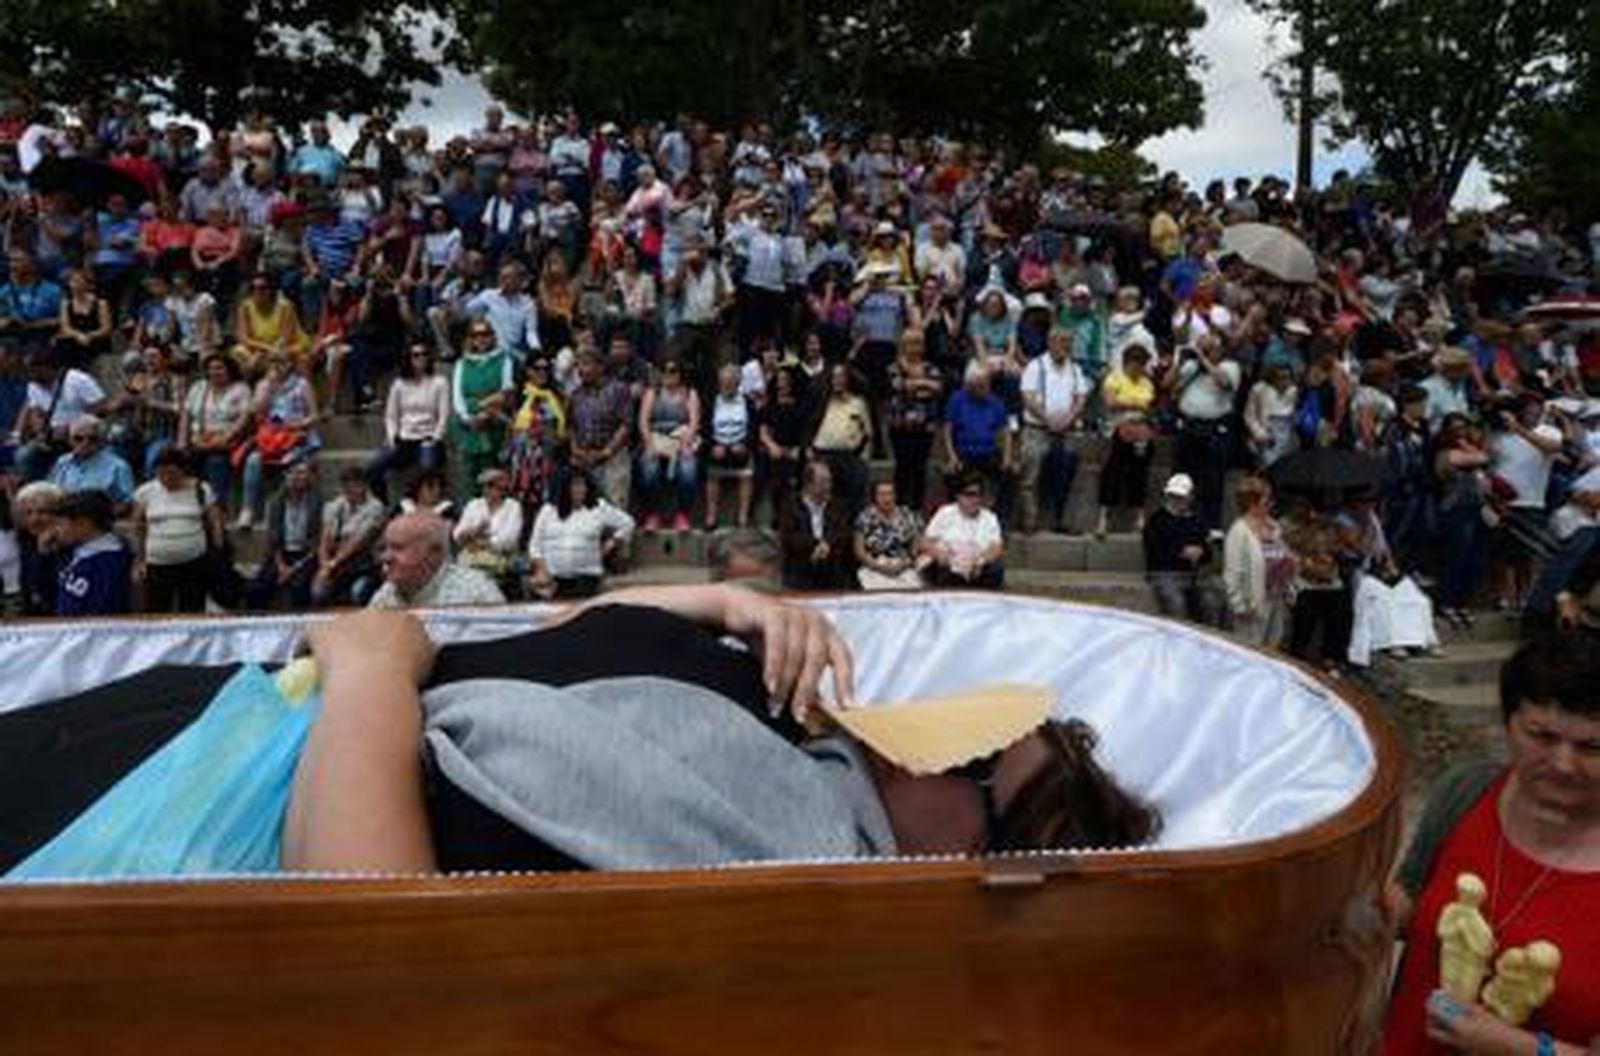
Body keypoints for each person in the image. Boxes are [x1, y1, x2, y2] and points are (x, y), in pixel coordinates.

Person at [1382, 629, 1600, 1054]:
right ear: (1507, 723)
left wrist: (1517, 1046)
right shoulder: (1466, 792)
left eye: (1592, 746)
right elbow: (1410, 904)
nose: (1562, 763)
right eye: (1541, 736)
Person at [131, 447, 223, 614]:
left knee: (192, 608)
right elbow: (138, 526)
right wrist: (139, 560)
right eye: (161, 474)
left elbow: (215, 521)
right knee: (157, 610)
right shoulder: (145, 492)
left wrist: (217, 552)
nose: (166, 479)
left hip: (194, 562)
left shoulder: (201, 490)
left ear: (183, 470)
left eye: (172, 473)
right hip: (157, 563)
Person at [1164, 333, 1240, 531]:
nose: (1203, 352)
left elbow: (1224, 384)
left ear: (1220, 349)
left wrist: (1203, 359)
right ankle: (1177, 520)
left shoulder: (1230, 366)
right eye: (1202, 348)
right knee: (1182, 476)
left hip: (1215, 428)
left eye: (1209, 348)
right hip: (1189, 426)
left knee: (1213, 478)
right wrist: (1179, 363)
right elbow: (1166, 385)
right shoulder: (1191, 367)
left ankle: (1211, 524)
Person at [1018, 325, 1089, 534]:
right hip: (1037, 428)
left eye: (1068, 343)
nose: (1065, 347)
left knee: (1067, 471)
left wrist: (1069, 418)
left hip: (1066, 430)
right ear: (1050, 343)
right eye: (1060, 342)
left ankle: (1060, 520)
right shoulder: (1035, 366)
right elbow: (1028, 397)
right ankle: (1029, 521)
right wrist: (1047, 418)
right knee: (1030, 475)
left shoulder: (1075, 369)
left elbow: (1081, 398)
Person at [238, 352, 320, 531]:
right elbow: (257, 413)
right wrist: (268, 388)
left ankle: (283, 513)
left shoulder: (302, 384)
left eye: (282, 362)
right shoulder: (263, 385)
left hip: (298, 436)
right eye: (273, 362)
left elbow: (314, 416)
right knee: (252, 461)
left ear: (290, 364)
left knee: (293, 463)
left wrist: (295, 425)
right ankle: (248, 509)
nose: (277, 366)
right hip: (271, 439)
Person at [527, 470, 636, 600]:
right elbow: (535, 545)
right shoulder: (548, 510)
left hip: (586, 578)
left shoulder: (598, 508)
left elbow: (628, 523)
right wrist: (542, 570)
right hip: (552, 580)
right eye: (575, 485)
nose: (580, 489)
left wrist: (611, 543)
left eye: (583, 485)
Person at [368, 512, 505, 611]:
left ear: (434, 553)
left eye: (398, 548)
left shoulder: (477, 595)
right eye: (385, 548)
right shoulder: (387, 592)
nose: (385, 557)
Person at [368, 342, 451, 501]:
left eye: (424, 354)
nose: (421, 358)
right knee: (373, 469)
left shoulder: (439, 382)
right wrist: (392, 437)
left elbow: (443, 415)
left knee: (426, 470)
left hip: (429, 438)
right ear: (409, 359)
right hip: (404, 439)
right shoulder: (399, 384)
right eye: (416, 355)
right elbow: (391, 415)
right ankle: (383, 505)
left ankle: (424, 507)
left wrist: (435, 437)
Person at [1435, 413, 1493, 628]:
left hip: (1478, 510)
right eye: (1455, 428)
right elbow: (1483, 458)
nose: (1461, 431)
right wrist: (1466, 444)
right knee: (1456, 558)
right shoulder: (1444, 454)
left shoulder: (1472, 451)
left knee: (1475, 560)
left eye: (1464, 427)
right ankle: (1447, 603)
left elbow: (1485, 471)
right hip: (1456, 510)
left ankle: (1462, 603)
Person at [178, 353, 253, 517]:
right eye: (211, 368)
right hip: (197, 441)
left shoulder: (241, 389)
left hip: (224, 443)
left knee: (216, 462)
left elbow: (243, 420)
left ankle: (218, 509)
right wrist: (182, 441)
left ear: (229, 369)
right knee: (181, 460)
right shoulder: (198, 387)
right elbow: (186, 415)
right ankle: (188, 506)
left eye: (219, 368)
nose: (214, 372)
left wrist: (221, 439)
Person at [1223, 476, 1294, 648]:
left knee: (1273, 648)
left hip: (1277, 597)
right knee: (1251, 650)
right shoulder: (1239, 531)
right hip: (1252, 603)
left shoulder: (1274, 526)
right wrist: (1239, 605)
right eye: (1266, 499)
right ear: (1251, 502)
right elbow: (1232, 571)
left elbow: (1283, 554)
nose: (1271, 503)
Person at [246, 454, 322, 611]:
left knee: (299, 589)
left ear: (309, 477)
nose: (297, 477)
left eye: (302, 472)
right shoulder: (275, 502)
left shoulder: (317, 502)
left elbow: (316, 542)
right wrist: (281, 567)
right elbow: (273, 539)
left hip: (305, 556)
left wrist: (293, 569)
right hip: (280, 554)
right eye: (293, 472)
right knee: (256, 589)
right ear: (285, 476)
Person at [1097, 344, 1158, 537]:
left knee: (1139, 473)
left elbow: (1150, 406)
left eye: (1142, 365)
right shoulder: (1114, 378)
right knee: (1113, 472)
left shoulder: (1146, 382)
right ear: (1128, 363)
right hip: (1119, 427)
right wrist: (1134, 403)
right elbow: (1110, 402)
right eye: (1137, 364)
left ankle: (1139, 517)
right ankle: (1103, 518)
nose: (1139, 369)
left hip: (1141, 428)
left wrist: (1139, 409)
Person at [449, 321, 516, 497]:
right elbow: (458, 398)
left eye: (485, 334)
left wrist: (482, 409)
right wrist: (468, 417)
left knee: (493, 474)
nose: (481, 339)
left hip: (494, 422)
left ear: (492, 336)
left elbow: (506, 393)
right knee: (471, 474)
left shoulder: (504, 359)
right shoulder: (462, 363)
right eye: (476, 335)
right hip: (469, 426)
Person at [1141, 473, 1218, 624]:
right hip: (1164, 574)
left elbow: (1208, 552)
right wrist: (1182, 553)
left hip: (1192, 575)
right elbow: (1154, 553)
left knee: (1212, 602)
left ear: (1190, 497)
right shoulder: (1156, 521)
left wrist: (1201, 553)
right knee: (1177, 605)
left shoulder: (1197, 521)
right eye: (1173, 496)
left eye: (1181, 497)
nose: (1177, 500)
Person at [636, 359, 702, 533]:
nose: (669, 375)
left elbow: (694, 422)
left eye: (673, 371)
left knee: (689, 470)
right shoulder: (652, 392)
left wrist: (686, 443)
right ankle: (653, 514)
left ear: (680, 374)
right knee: (649, 470)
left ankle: (682, 514)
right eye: (665, 371)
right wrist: (649, 444)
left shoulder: (689, 393)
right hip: (656, 438)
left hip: (681, 438)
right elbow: (643, 422)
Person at [43, 489, 131, 617]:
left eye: (60, 524)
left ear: (83, 524)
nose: (55, 530)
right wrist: (45, 555)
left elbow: (103, 611)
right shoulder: (72, 551)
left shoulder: (108, 564)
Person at [885, 328, 945, 514]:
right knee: (903, 468)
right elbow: (899, 386)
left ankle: (917, 511)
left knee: (920, 469)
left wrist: (915, 383)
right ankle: (900, 510)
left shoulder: (931, 368)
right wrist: (923, 384)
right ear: (903, 346)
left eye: (918, 342)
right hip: (900, 426)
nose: (914, 347)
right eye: (910, 343)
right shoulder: (893, 367)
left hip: (924, 427)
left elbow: (937, 388)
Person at [942, 363, 1012, 520]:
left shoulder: (995, 401)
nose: (985, 389)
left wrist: (1007, 456)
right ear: (970, 386)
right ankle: (956, 518)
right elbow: (947, 430)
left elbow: (1005, 431)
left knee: (1009, 475)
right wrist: (952, 456)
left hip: (988, 452)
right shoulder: (957, 400)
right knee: (952, 475)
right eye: (980, 386)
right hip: (964, 452)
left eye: (986, 385)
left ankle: (996, 519)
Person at [567, 349, 634, 511]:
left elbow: (626, 424)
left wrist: (607, 451)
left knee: (614, 508)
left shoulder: (619, 389)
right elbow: (571, 426)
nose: (581, 370)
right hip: (584, 457)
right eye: (578, 365)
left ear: (600, 367)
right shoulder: (576, 394)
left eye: (586, 364)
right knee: (585, 510)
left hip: (613, 456)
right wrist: (575, 449)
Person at [311, 467, 385, 607]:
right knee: (318, 591)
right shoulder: (335, 505)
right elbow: (325, 538)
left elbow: (358, 542)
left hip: (364, 566)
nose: (351, 491)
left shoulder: (376, 508)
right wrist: (323, 565)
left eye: (355, 486)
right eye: (347, 487)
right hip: (336, 566)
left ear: (364, 486)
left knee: (357, 592)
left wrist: (333, 564)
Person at [809, 364, 874, 518]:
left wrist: (865, 457)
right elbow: (809, 426)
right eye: (834, 377)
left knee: (856, 496)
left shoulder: (858, 403)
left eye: (841, 377)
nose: (837, 381)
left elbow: (868, 433)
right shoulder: (822, 401)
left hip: (850, 456)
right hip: (823, 456)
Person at [920, 472, 1005, 589]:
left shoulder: (990, 518)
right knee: (939, 568)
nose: (975, 499)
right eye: (969, 494)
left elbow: (997, 548)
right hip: (949, 565)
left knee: (996, 568)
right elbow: (925, 542)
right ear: (958, 495)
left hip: (976, 566)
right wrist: (939, 554)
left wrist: (982, 561)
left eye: (978, 495)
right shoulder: (945, 513)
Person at [780, 459, 854, 591]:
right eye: (823, 482)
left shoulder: (838, 506)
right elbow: (789, 538)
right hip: (801, 568)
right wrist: (816, 546)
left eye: (829, 481)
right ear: (809, 484)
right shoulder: (791, 506)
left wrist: (827, 544)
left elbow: (844, 532)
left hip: (833, 569)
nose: (828, 486)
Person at [703, 362, 757, 531]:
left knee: (747, 472)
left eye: (731, 383)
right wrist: (713, 445)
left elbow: (754, 428)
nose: (727, 386)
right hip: (717, 446)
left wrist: (745, 445)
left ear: (738, 383)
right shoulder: (711, 400)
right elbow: (704, 427)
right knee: (712, 470)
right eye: (724, 383)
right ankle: (712, 514)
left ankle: (742, 516)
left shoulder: (747, 402)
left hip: (740, 446)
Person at [46, 415, 135, 514]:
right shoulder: (62, 462)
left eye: (92, 439)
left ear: (101, 441)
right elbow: (51, 492)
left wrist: (102, 517)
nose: (85, 443)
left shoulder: (118, 466)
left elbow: (127, 503)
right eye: (78, 438)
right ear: (70, 440)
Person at [453, 468, 525, 587]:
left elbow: (509, 540)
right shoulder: (474, 505)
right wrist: (476, 531)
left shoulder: (513, 507)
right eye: (484, 486)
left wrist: (476, 539)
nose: (486, 490)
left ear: (502, 487)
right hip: (472, 561)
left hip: (500, 562)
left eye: (491, 486)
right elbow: (457, 535)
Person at [231, 273, 310, 380]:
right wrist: (263, 350)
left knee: (276, 358)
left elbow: (284, 338)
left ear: (271, 289)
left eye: (262, 288)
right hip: (259, 347)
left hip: (286, 346)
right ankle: (246, 389)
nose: (257, 292)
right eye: (253, 288)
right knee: (239, 352)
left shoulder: (285, 306)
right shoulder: (245, 307)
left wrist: (266, 353)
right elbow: (243, 338)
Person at [854, 479, 925, 590]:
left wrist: (904, 564)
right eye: (882, 494)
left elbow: (916, 544)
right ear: (875, 497)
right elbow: (859, 551)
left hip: (903, 566)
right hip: (874, 566)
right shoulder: (865, 517)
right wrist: (878, 566)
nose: (887, 498)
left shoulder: (907, 514)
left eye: (890, 494)